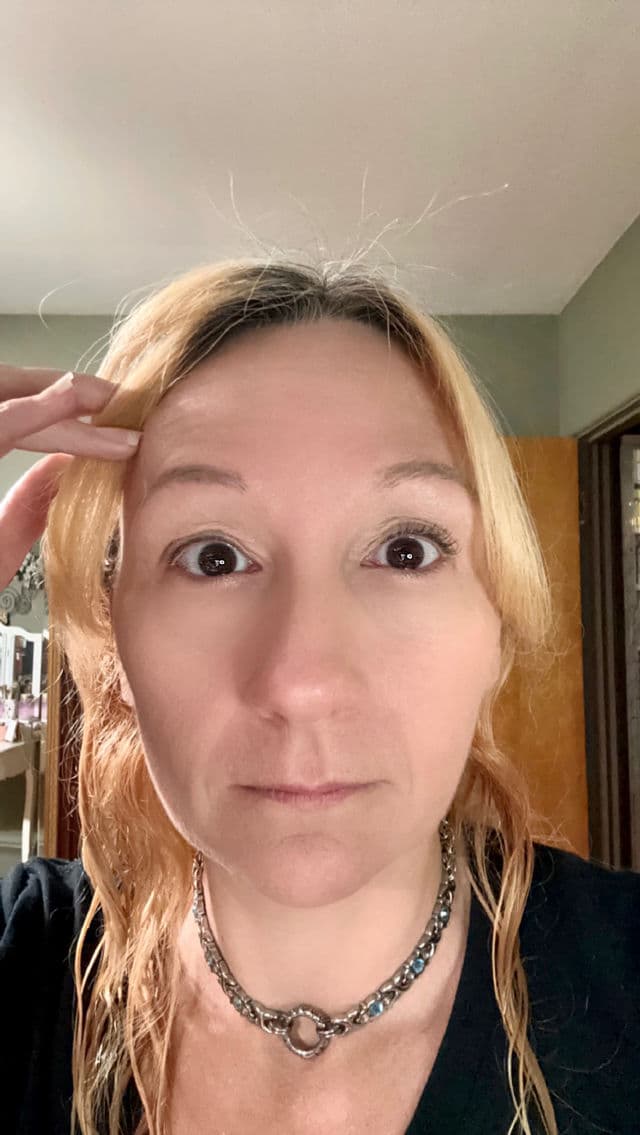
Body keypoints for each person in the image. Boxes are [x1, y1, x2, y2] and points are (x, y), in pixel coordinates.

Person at [0, 259, 638, 1135]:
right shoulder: (25, 968)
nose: (302, 682)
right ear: (115, 638)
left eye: (406, 550)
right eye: (213, 557)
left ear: (498, 624)